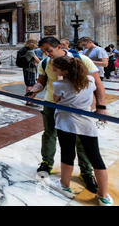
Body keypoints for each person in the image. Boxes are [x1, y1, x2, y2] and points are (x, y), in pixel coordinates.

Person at [28, 37, 108, 194]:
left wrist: (101, 106)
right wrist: (34, 90)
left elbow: (98, 84)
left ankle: (86, 172)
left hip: (79, 107)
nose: (46, 54)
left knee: (81, 140)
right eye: (43, 51)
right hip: (52, 104)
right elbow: (41, 82)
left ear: (58, 46)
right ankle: (47, 162)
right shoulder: (45, 63)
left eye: (48, 50)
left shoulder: (81, 59)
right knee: (50, 133)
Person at [51, 56, 113, 206]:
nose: (54, 70)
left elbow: (56, 100)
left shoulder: (60, 84)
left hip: (65, 122)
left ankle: (65, 186)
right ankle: (103, 195)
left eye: (56, 68)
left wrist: (60, 78)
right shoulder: (90, 81)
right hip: (86, 122)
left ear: (64, 71)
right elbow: (91, 94)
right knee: (95, 157)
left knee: (67, 154)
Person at [19, 39, 40, 106]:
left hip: (26, 68)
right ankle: (29, 101)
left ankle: (28, 100)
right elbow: (38, 60)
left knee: (29, 84)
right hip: (30, 69)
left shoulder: (23, 49)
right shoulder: (30, 51)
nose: (36, 45)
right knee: (31, 85)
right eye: (36, 43)